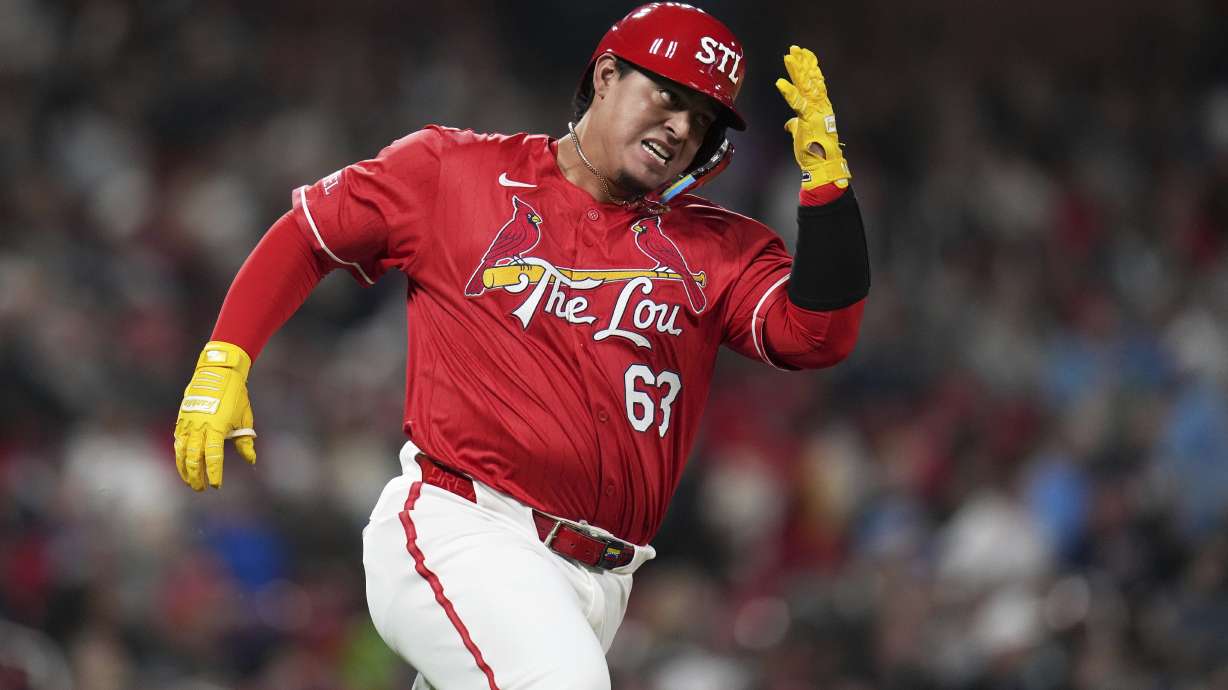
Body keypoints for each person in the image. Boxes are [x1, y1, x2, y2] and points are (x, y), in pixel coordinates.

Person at [172, 3, 870, 688]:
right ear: (604, 77)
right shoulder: (456, 171)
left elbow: (817, 337)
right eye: (667, 95)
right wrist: (224, 362)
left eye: (703, 116)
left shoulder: (716, 246)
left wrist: (829, 192)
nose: (682, 125)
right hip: (463, 526)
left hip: (598, 582)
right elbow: (311, 233)